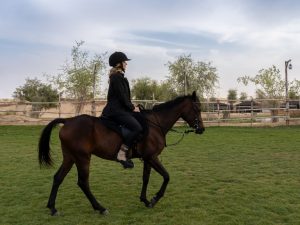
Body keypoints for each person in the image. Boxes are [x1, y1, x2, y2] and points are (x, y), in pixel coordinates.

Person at [101, 52, 143, 169]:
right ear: (119, 64)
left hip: (120, 110)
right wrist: (132, 108)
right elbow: (122, 97)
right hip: (115, 111)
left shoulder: (119, 77)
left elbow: (125, 98)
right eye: (124, 62)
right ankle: (121, 154)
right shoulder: (116, 78)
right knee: (137, 128)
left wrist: (133, 105)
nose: (126, 64)